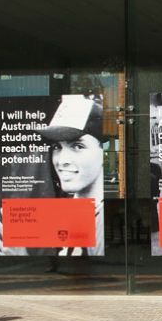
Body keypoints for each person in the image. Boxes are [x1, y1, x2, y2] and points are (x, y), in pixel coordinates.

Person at [39, 94, 106, 256]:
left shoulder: (102, 220)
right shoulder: (65, 212)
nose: (62, 160)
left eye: (77, 146)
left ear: (104, 151)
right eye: (57, 147)